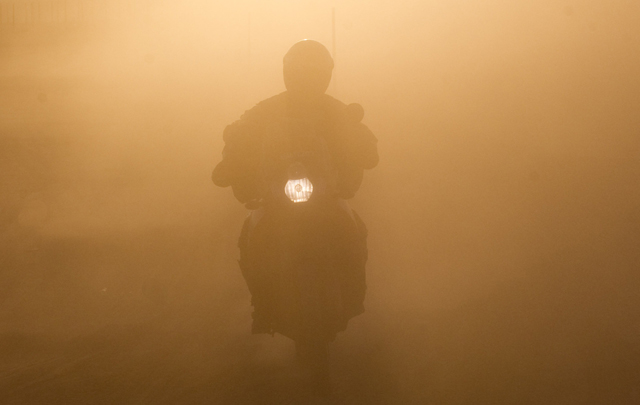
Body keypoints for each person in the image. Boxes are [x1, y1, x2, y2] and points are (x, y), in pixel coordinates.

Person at [212, 39, 378, 393]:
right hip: (276, 199)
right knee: (250, 236)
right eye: (301, 75)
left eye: (315, 75)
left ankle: (353, 292)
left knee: (354, 230)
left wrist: (364, 147)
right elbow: (238, 139)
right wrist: (230, 163)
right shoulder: (265, 111)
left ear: (326, 77)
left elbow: (366, 144)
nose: (307, 82)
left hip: (326, 196)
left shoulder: (338, 112)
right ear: (288, 75)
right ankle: (263, 300)